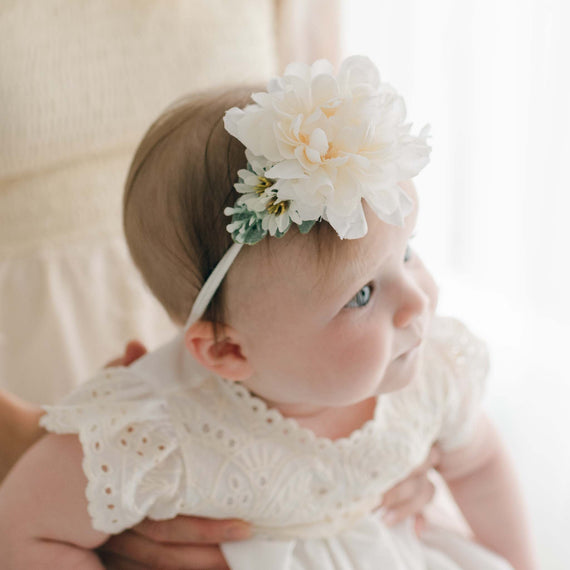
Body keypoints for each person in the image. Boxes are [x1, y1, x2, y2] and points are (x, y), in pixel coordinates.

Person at [0, 56, 536, 569]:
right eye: (362, 295)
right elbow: (26, 527)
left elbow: (480, 465)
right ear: (227, 350)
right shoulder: (157, 433)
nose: (418, 302)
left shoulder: (432, 376)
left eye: (407, 252)